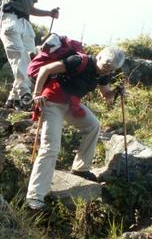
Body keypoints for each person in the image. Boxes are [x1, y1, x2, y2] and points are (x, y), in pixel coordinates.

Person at [25, 46, 126, 210]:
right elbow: (46, 69)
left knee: (93, 125)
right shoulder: (79, 61)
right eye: (107, 66)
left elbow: (106, 95)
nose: (107, 71)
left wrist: (116, 92)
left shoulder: (104, 74)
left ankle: (80, 168)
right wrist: (36, 94)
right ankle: (35, 196)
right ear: (99, 57)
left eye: (111, 70)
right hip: (52, 102)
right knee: (51, 147)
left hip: (71, 104)